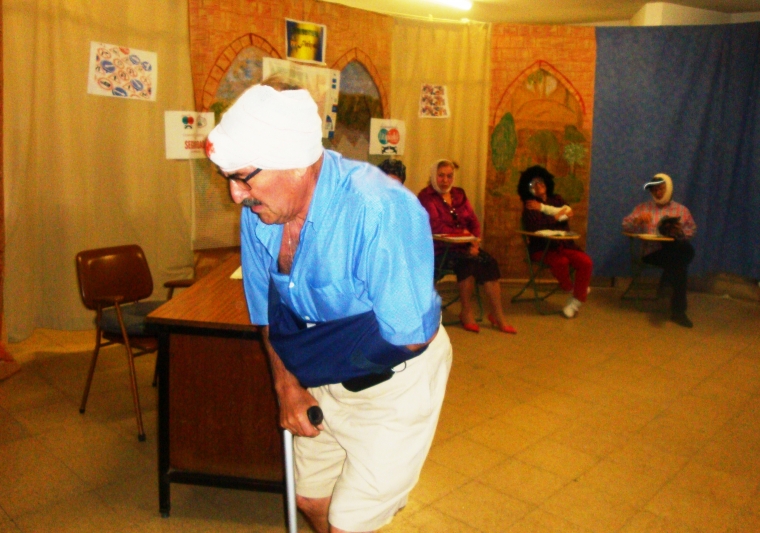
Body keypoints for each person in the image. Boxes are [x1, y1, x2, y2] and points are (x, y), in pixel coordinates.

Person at [205, 82, 452, 533]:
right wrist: (287, 384)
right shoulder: (259, 215)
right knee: (310, 498)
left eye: (243, 177)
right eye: (228, 179)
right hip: (323, 371)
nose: (236, 195)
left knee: (347, 523)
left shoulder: (380, 209)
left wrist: (310, 360)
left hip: (394, 384)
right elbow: (268, 310)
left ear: (297, 162)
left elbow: (409, 337)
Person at [417, 159, 516, 334]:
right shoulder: (426, 196)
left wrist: (474, 241)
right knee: (468, 263)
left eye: (449, 176)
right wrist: (462, 235)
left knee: (489, 262)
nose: (445, 180)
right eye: (441, 176)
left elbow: (473, 222)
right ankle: (466, 312)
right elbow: (435, 226)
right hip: (439, 249)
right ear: (433, 176)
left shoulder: (459, 194)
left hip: (465, 246)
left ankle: (497, 315)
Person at [517, 165, 593, 318]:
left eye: (540, 181)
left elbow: (568, 213)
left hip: (564, 244)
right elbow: (535, 227)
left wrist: (546, 211)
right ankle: (573, 290)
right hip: (541, 248)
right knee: (561, 262)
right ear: (528, 189)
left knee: (586, 262)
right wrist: (556, 217)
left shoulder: (557, 199)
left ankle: (575, 302)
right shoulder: (530, 205)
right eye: (533, 184)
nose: (538, 185)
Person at [622, 173, 696, 328]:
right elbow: (625, 226)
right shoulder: (643, 208)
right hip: (652, 253)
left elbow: (691, 230)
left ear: (669, 188)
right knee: (683, 258)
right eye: (654, 190)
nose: (658, 192)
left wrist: (679, 231)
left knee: (679, 258)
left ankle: (671, 293)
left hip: (674, 250)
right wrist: (637, 220)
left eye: (661, 188)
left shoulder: (681, 210)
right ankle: (678, 311)